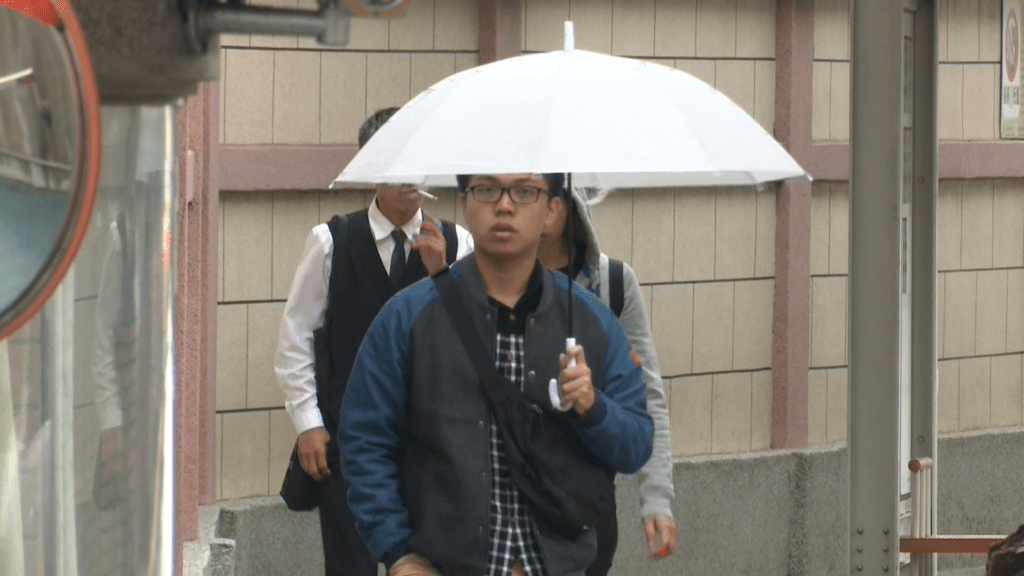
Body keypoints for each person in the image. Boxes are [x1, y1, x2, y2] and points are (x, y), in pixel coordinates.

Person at [338, 173, 654, 576]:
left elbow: (636, 445)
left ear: (552, 211)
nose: (504, 206)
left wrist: (594, 409)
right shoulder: (409, 316)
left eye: (525, 191)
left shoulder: (591, 321)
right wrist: (398, 553)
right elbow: (365, 441)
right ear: (465, 204)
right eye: (486, 190)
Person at [274, 107, 474, 576]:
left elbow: (473, 343)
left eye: (417, 160)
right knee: (350, 564)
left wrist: (442, 275)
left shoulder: (457, 242)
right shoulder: (332, 241)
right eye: (396, 162)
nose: (410, 177)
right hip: (349, 438)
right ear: (371, 168)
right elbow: (295, 335)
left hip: (430, 441)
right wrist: (308, 423)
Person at [537, 187, 677, 574]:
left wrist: (656, 499)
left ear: (569, 206)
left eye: (542, 194)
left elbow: (647, 396)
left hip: (588, 509)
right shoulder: (489, 282)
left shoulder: (612, 283)